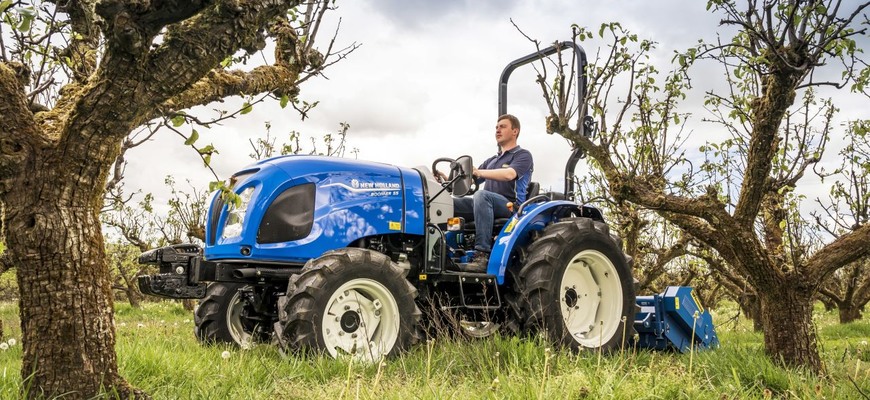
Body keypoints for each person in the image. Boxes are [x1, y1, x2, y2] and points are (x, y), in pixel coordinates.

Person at [447, 114, 533, 272]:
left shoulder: (522, 155)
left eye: (503, 126)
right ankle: (442, 249)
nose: (498, 130)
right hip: (484, 205)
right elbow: (472, 180)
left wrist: (479, 172)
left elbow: (509, 174)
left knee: (481, 195)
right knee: (447, 202)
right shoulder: (492, 160)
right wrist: (446, 179)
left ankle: (482, 255)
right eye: (496, 127)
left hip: (511, 207)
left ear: (515, 131)